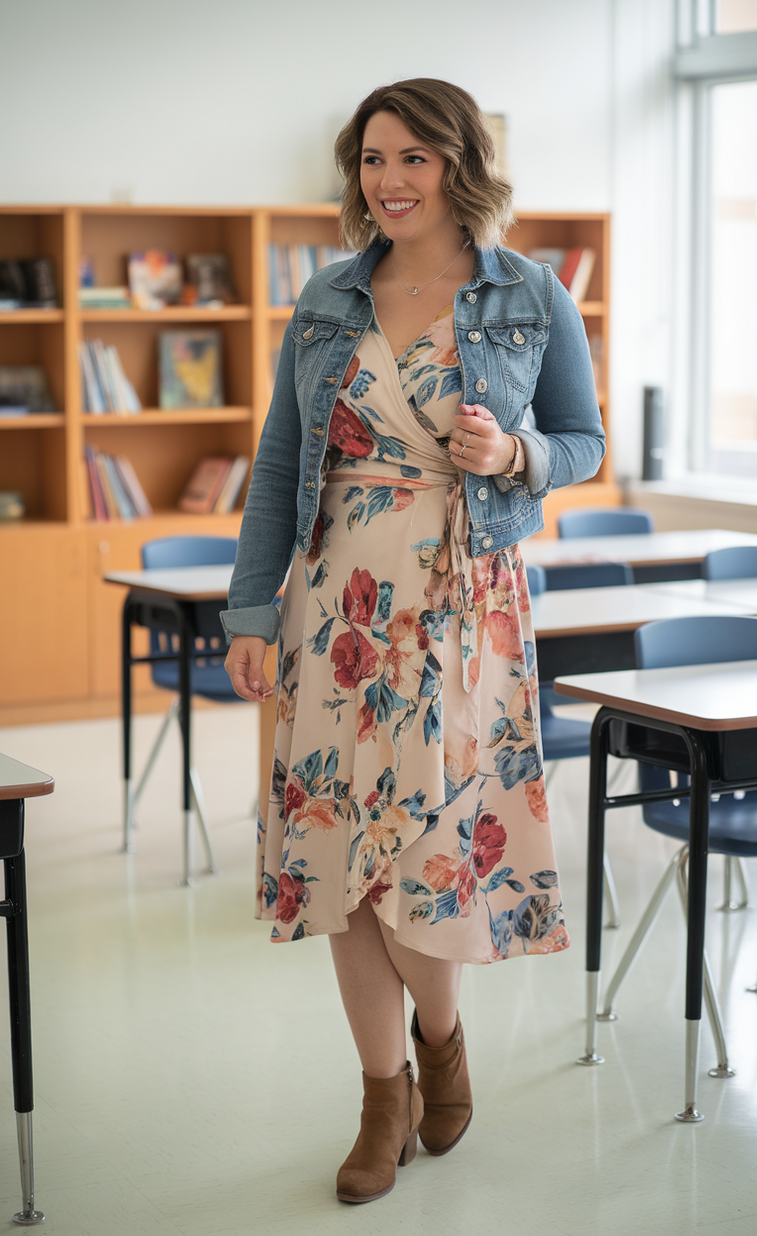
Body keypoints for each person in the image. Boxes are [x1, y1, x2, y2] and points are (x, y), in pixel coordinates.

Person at [222, 78, 605, 1204]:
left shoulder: (529, 293)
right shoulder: (325, 301)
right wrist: (252, 612)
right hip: (336, 602)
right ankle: (381, 1097)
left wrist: (516, 457)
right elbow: (282, 467)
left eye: (411, 159)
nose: (386, 181)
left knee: (429, 855)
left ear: (458, 165)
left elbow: (580, 439)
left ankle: (441, 1040)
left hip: (461, 603)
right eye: (371, 160)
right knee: (340, 856)